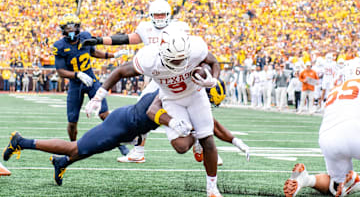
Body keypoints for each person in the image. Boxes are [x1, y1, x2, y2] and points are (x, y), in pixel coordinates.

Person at [85, 28, 222, 197]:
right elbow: (120, 71)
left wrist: (213, 79)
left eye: (182, 58)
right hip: (170, 97)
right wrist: (98, 97)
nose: (179, 63)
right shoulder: (149, 58)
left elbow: (214, 61)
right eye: (175, 59)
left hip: (194, 94)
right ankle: (189, 136)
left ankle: (212, 189)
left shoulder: (195, 47)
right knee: (180, 146)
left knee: (207, 139)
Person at [2, 90, 191, 186]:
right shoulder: (170, 93)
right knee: (75, 147)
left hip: (127, 127)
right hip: (122, 125)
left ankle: (62, 163)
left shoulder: (173, 91)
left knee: (89, 149)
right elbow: (154, 114)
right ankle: (21, 142)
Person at [80, 0, 189, 163]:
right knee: (143, 110)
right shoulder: (146, 28)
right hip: (157, 76)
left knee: (189, 107)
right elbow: (124, 39)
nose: (159, 18)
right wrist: (99, 40)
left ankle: (201, 144)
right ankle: (139, 151)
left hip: (176, 75)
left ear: (168, 15)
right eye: (156, 15)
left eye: (162, 15)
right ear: (151, 16)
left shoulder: (178, 28)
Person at [283, 71, 360, 196]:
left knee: (336, 185)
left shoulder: (336, 89)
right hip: (354, 130)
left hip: (327, 138)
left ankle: (307, 180)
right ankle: (356, 183)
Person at [52, 13, 126, 141]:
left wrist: (113, 55)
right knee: (72, 121)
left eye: (73, 27)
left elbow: (94, 52)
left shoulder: (85, 37)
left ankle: (120, 144)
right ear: (63, 30)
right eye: (67, 28)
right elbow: (60, 71)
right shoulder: (60, 46)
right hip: (75, 84)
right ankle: (74, 146)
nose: (71, 30)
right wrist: (77, 74)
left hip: (91, 80)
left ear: (78, 27)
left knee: (104, 113)